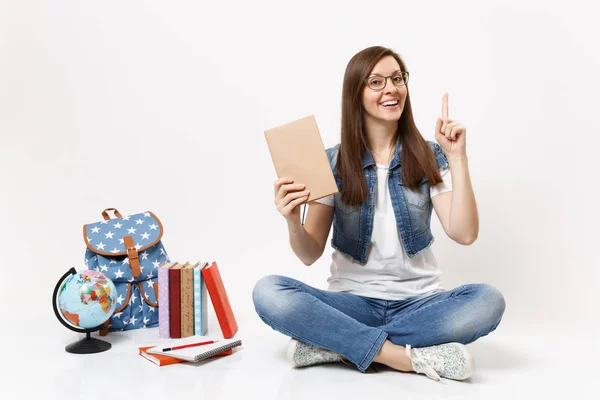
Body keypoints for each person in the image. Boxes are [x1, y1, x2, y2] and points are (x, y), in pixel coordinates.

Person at [252, 46, 505, 383]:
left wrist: (457, 157)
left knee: (488, 301)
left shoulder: (429, 156)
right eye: (376, 81)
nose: (391, 88)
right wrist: (291, 220)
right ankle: (403, 357)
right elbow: (309, 253)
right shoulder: (331, 162)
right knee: (268, 292)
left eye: (397, 78)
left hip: (419, 303)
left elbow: (465, 233)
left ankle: (337, 344)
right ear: (355, 94)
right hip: (351, 304)